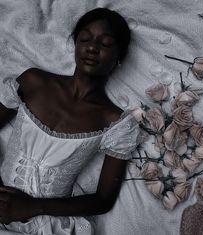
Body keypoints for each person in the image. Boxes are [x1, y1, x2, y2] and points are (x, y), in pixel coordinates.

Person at [0, 8, 144, 234]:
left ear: (120, 58)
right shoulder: (33, 82)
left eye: (105, 44)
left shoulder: (116, 124)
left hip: (48, 224)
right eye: (85, 38)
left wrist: (33, 207)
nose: (92, 48)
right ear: (75, 44)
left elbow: (104, 200)